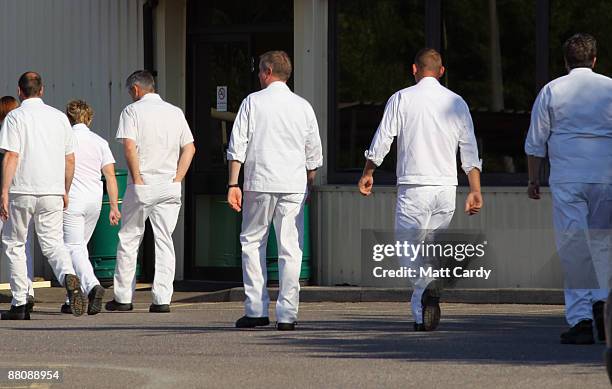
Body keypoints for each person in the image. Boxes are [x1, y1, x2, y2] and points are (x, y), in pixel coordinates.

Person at [358, 48, 483, 331]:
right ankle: (421, 313)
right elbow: (470, 150)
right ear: (441, 71)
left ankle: (427, 289)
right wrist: (475, 189)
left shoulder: (401, 98)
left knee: (408, 249)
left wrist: (368, 172)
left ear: (414, 69)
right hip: (445, 189)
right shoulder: (457, 103)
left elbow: (382, 140)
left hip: (414, 187)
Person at [227, 50, 323, 331]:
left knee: (252, 243)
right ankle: (287, 314)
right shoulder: (303, 106)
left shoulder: (252, 103)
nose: (259, 75)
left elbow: (237, 146)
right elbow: (313, 154)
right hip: (293, 184)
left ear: (268, 72)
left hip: (259, 182)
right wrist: (309, 182)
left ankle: (256, 310)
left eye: (260, 70)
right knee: (290, 249)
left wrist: (233, 183)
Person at [525, 33, 611, 345]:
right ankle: (604, 309)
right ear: (594, 60)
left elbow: (536, 142)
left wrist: (534, 179)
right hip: (606, 177)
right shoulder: (610, 88)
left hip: (568, 178)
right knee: (603, 243)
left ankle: (581, 320)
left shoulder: (552, 90)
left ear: (565, 62)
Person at [105, 70, 195, 313]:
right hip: (169, 185)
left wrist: (137, 178)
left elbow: (130, 148)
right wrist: (178, 178)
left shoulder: (132, 111)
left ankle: (123, 297)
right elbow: (190, 148)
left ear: (135, 90)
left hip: (143, 183)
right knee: (165, 240)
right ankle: (162, 299)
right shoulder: (175, 112)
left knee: (130, 238)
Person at [0, 72, 85, 320]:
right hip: (52, 190)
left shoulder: (15, 117)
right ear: (42, 90)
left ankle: (20, 302)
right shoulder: (59, 118)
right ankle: (68, 275)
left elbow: (12, 156)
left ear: (19, 91)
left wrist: (3, 191)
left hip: (22, 189)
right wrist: (65, 190)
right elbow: (70, 159)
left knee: (15, 243)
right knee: (53, 244)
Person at [57, 100, 121, 315]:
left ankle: (92, 285)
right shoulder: (100, 141)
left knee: (71, 247)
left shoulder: (64, 140)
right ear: (90, 118)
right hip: (94, 199)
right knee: (79, 247)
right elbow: (110, 175)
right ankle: (72, 298)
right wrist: (114, 206)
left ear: (68, 117)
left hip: (72, 197)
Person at [0, 96, 36, 313]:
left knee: (14, 245)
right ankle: (27, 291)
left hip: (7, 194)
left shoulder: (7, 134)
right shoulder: (26, 134)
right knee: (24, 245)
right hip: (22, 193)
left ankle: (21, 295)